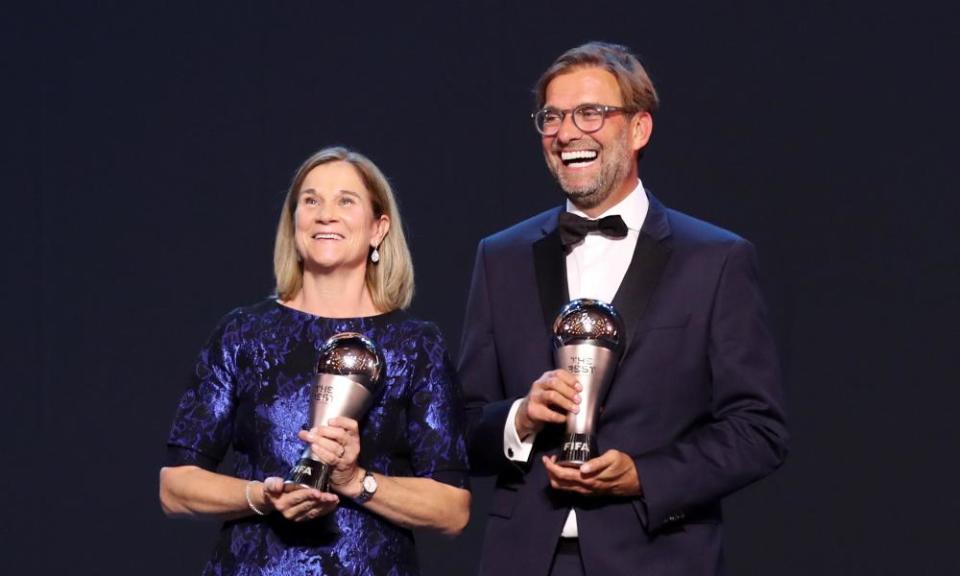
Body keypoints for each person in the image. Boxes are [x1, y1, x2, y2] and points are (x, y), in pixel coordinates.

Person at [459, 42, 788, 575]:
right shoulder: (501, 257)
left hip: (658, 556)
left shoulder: (717, 260)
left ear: (639, 130)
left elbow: (758, 430)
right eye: (553, 117)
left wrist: (645, 476)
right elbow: (463, 426)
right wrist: (519, 417)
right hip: (523, 560)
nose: (567, 133)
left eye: (590, 113)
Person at [160, 146, 470, 575]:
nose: (325, 214)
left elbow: (452, 509)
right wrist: (261, 495)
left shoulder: (417, 344)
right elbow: (176, 486)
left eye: (346, 200)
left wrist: (355, 481)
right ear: (294, 224)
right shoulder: (244, 333)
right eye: (311, 201)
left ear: (378, 228)